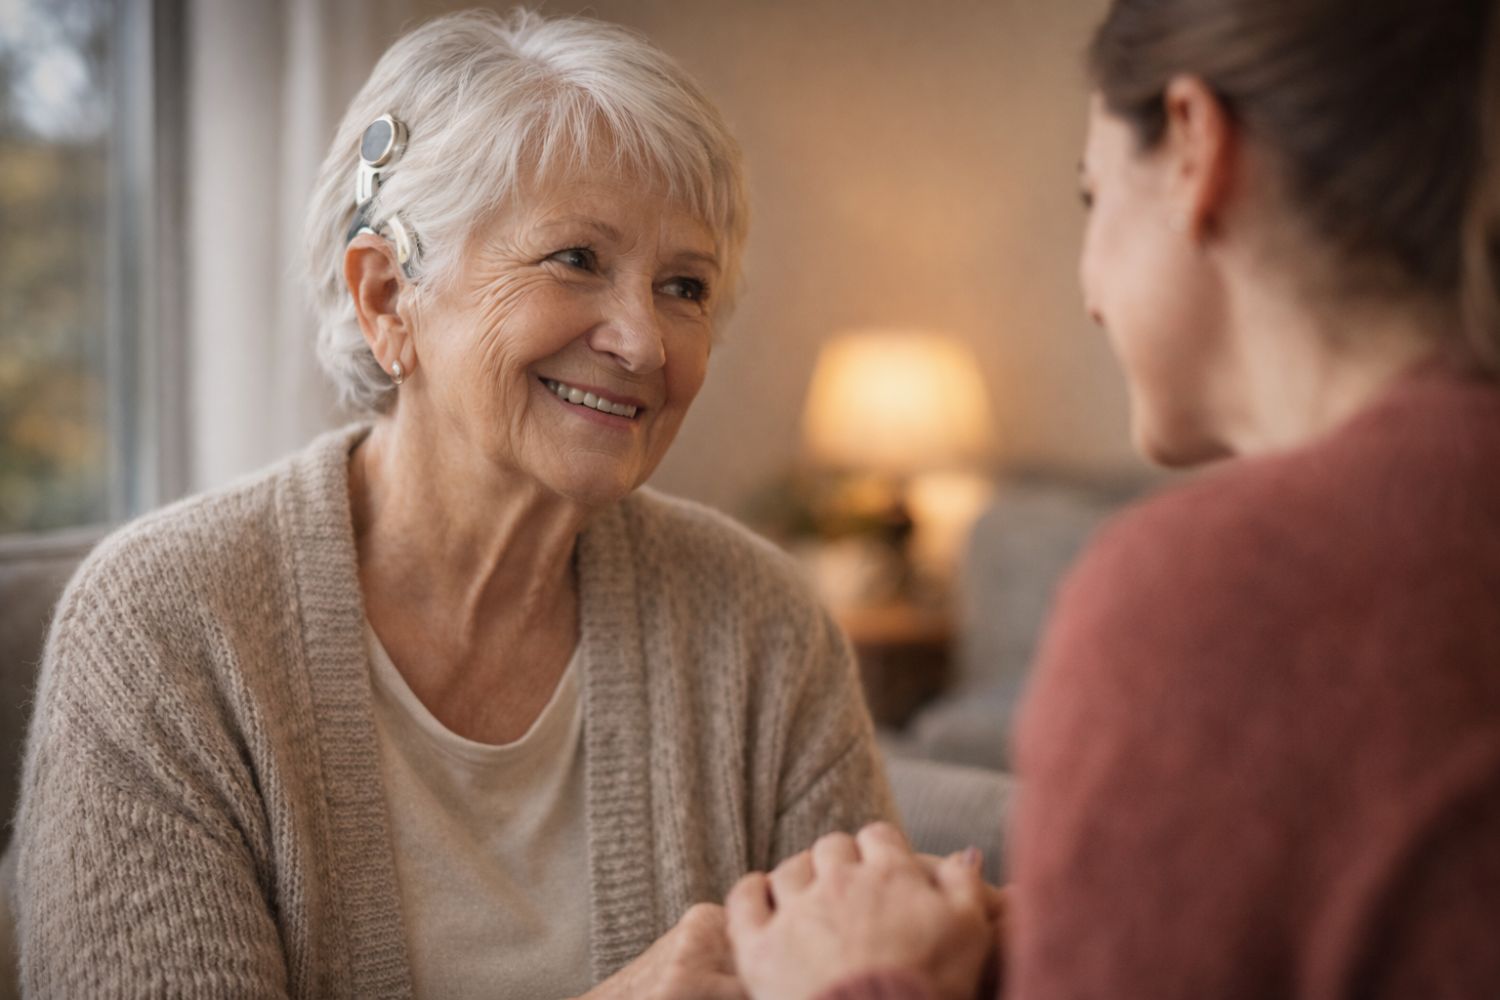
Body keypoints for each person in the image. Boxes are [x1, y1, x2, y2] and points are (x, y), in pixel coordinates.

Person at [12, 9, 895, 997]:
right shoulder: (159, 630)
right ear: (388, 297)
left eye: (684, 285)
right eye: (576, 259)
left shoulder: (766, 626)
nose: (645, 342)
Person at [725, 0, 1500, 997]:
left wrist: (856, 978)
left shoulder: (1208, 596)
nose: (1091, 286)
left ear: (1193, 143)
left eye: (1093, 197)